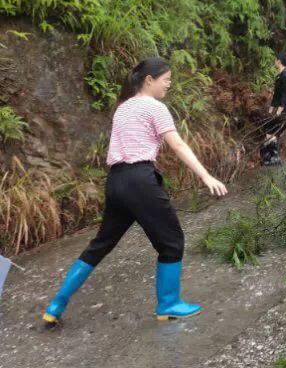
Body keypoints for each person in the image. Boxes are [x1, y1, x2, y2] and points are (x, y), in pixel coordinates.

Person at [42, 58, 228, 326]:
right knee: (172, 241)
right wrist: (205, 175)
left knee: (101, 244)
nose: (169, 85)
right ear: (149, 80)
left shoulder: (123, 108)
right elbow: (177, 144)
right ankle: (169, 304)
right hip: (140, 181)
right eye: (166, 80)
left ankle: (56, 304)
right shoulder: (155, 107)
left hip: (116, 182)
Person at [259, 51, 286, 166]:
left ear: (279, 61)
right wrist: (270, 111)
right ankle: (269, 158)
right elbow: (276, 96)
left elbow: (285, 96)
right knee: (269, 129)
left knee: (271, 130)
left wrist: (278, 113)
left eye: (275, 59)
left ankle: (273, 158)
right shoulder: (280, 75)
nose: (274, 61)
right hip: (285, 109)